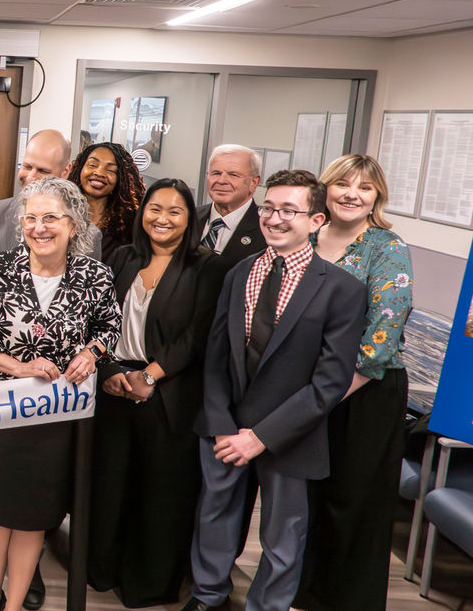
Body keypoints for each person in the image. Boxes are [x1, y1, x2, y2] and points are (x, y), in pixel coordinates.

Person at [181, 170, 366, 611]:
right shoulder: (238, 272)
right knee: (214, 519)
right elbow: (217, 356)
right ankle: (207, 597)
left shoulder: (342, 289)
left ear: (317, 219)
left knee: (283, 536)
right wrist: (224, 424)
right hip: (225, 426)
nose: (275, 218)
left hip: (290, 433)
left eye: (289, 210)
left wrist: (260, 436)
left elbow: (330, 382)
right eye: (269, 208)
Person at [0, 176, 121, 611]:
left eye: (51, 218)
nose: (39, 227)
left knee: (32, 514)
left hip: (55, 420)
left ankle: (13, 604)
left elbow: (110, 327)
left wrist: (93, 351)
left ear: (73, 226)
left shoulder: (95, 275)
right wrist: (19, 367)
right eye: (31, 218)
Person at [87, 179, 227, 607]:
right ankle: (102, 569)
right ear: (141, 212)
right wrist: (109, 369)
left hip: (168, 395)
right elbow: (99, 320)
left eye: (175, 211)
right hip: (113, 389)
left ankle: (148, 583)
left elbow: (198, 333)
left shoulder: (207, 266)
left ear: (191, 219)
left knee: (159, 494)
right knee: (110, 488)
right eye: (154, 208)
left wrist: (149, 376)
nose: (162, 218)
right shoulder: (123, 258)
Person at [295, 155, 413, 611]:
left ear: (376, 198)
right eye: (343, 184)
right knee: (307, 498)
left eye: (365, 188)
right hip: (308, 388)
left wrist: (324, 396)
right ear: (325, 189)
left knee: (352, 499)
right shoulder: (305, 237)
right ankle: (303, 595)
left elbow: (383, 332)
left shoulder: (387, 247)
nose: (352, 194)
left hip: (364, 390)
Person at [0, 129, 101, 276]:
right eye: (27, 166)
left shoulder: (89, 235)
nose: (30, 177)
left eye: (43, 171)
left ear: (65, 171)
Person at [67, 142, 145, 263]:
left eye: (110, 170)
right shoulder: (62, 213)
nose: (99, 173)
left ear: (120, 179)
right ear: (80, 168)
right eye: (92, 165)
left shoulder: (129, 226)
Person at [198, 144, 267, 267]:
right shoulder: (189, 217)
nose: (221, 180)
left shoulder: (266, 231)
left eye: (233, 175)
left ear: (253, 182)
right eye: (216, 173)